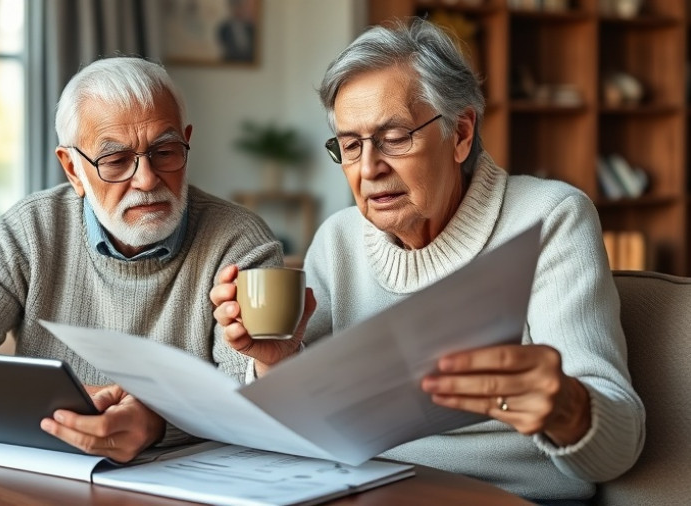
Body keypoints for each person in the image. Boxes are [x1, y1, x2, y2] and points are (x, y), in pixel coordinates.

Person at [210, 19, 644, 503]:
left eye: (394, 137)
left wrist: (565, 408)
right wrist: (276, 363)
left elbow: (618, 451)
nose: (370, 168)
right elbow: (288, 432)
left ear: (459, 133)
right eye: (351, 145)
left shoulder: (550, 218)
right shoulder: (339, 239)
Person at [0, 56, 283, 463]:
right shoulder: (31, 230)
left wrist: (156, 422)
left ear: (186, 140)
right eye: (115, 161)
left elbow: (251, 393)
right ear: (72, 168)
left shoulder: (239, 240)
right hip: (45, 476)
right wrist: (66, 400)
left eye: (164, 152)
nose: (147, 179)